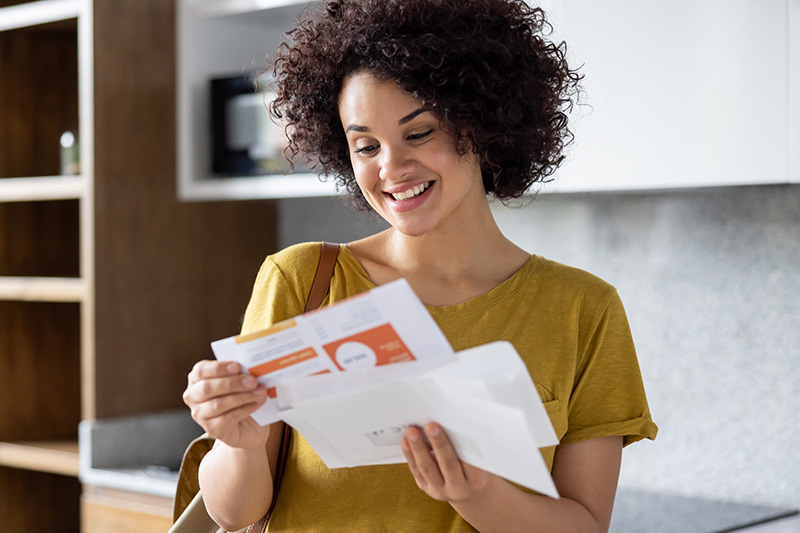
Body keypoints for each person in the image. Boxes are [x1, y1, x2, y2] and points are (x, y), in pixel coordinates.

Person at [182, 0, 658, 531]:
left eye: (419, 133)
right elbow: (234, 511)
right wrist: (238, 443)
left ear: (482, 122)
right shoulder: (302, 281)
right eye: (365, 145)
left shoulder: (583, 310)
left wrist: (479, 495)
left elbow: (586, 525)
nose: (390, 167)